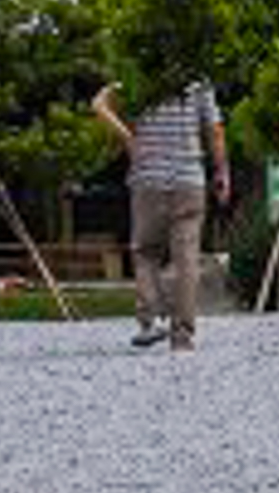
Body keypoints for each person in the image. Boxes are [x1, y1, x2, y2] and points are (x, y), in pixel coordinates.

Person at [92, 70, 230, 350]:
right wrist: (221, 171)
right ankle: (183, 336)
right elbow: (214, 129)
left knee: (146, 253)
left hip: (148, 180)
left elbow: (98, 104)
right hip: (189, 180)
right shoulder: (199, 81)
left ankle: (149, 322)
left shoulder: (135, 75)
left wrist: (128, 138)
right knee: (186, 259)